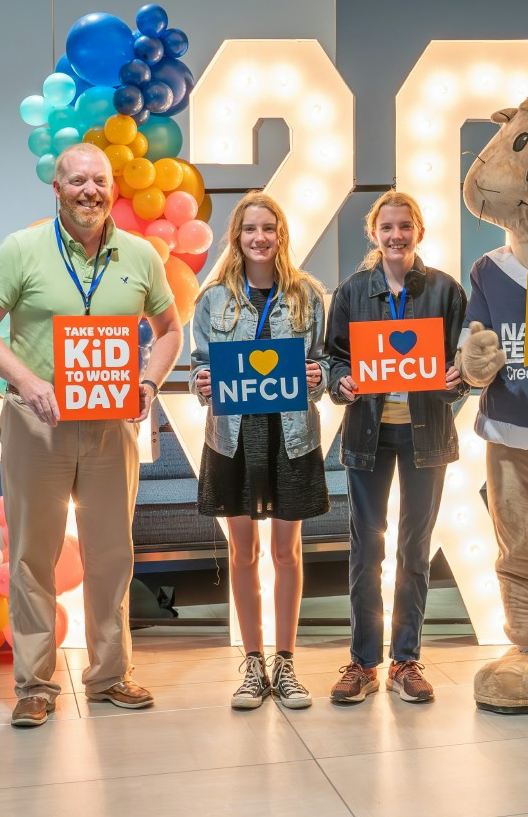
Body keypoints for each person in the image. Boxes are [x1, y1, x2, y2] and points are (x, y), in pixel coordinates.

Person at [0, 143, 182, 727]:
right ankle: (35, 683)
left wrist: (149, 382)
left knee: (112, 551)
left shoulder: (139, 254)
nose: (90, 191)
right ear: (56, 189)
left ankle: (110, 675)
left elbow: (168, 331)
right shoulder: (21, 249)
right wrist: (28, 381)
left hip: (112, 426)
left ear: (114, 189)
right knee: (34, 554)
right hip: (39, 423)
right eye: (78, 181)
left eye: (100, 182)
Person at [324, 191, 467, 704]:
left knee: (413, 550)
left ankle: (406, 660)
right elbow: (333, 358)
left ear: (419, 231)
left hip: (426, 435)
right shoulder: (352, 292)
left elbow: (462, 364)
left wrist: (458, 379)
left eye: (405, 226)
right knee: (367, 551)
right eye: (387, 227)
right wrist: (340, 382)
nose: (396, 236)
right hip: (368, 433)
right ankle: (363, 663)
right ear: (374, 234)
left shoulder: (446, 291)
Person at [190, 191, 329, 710]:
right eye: (250, 229)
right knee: (242, 552)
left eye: (268, 228)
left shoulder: (307, 296)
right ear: (237, 237)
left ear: (281, 235)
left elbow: (325, 367)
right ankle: (252, 664)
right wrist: (204, 382)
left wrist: (318, 378)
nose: (259, 238)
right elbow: (199, 368)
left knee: (286, 552)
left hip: (292, 437)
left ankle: (286, 664)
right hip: (233, 438)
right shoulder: (212, 299)